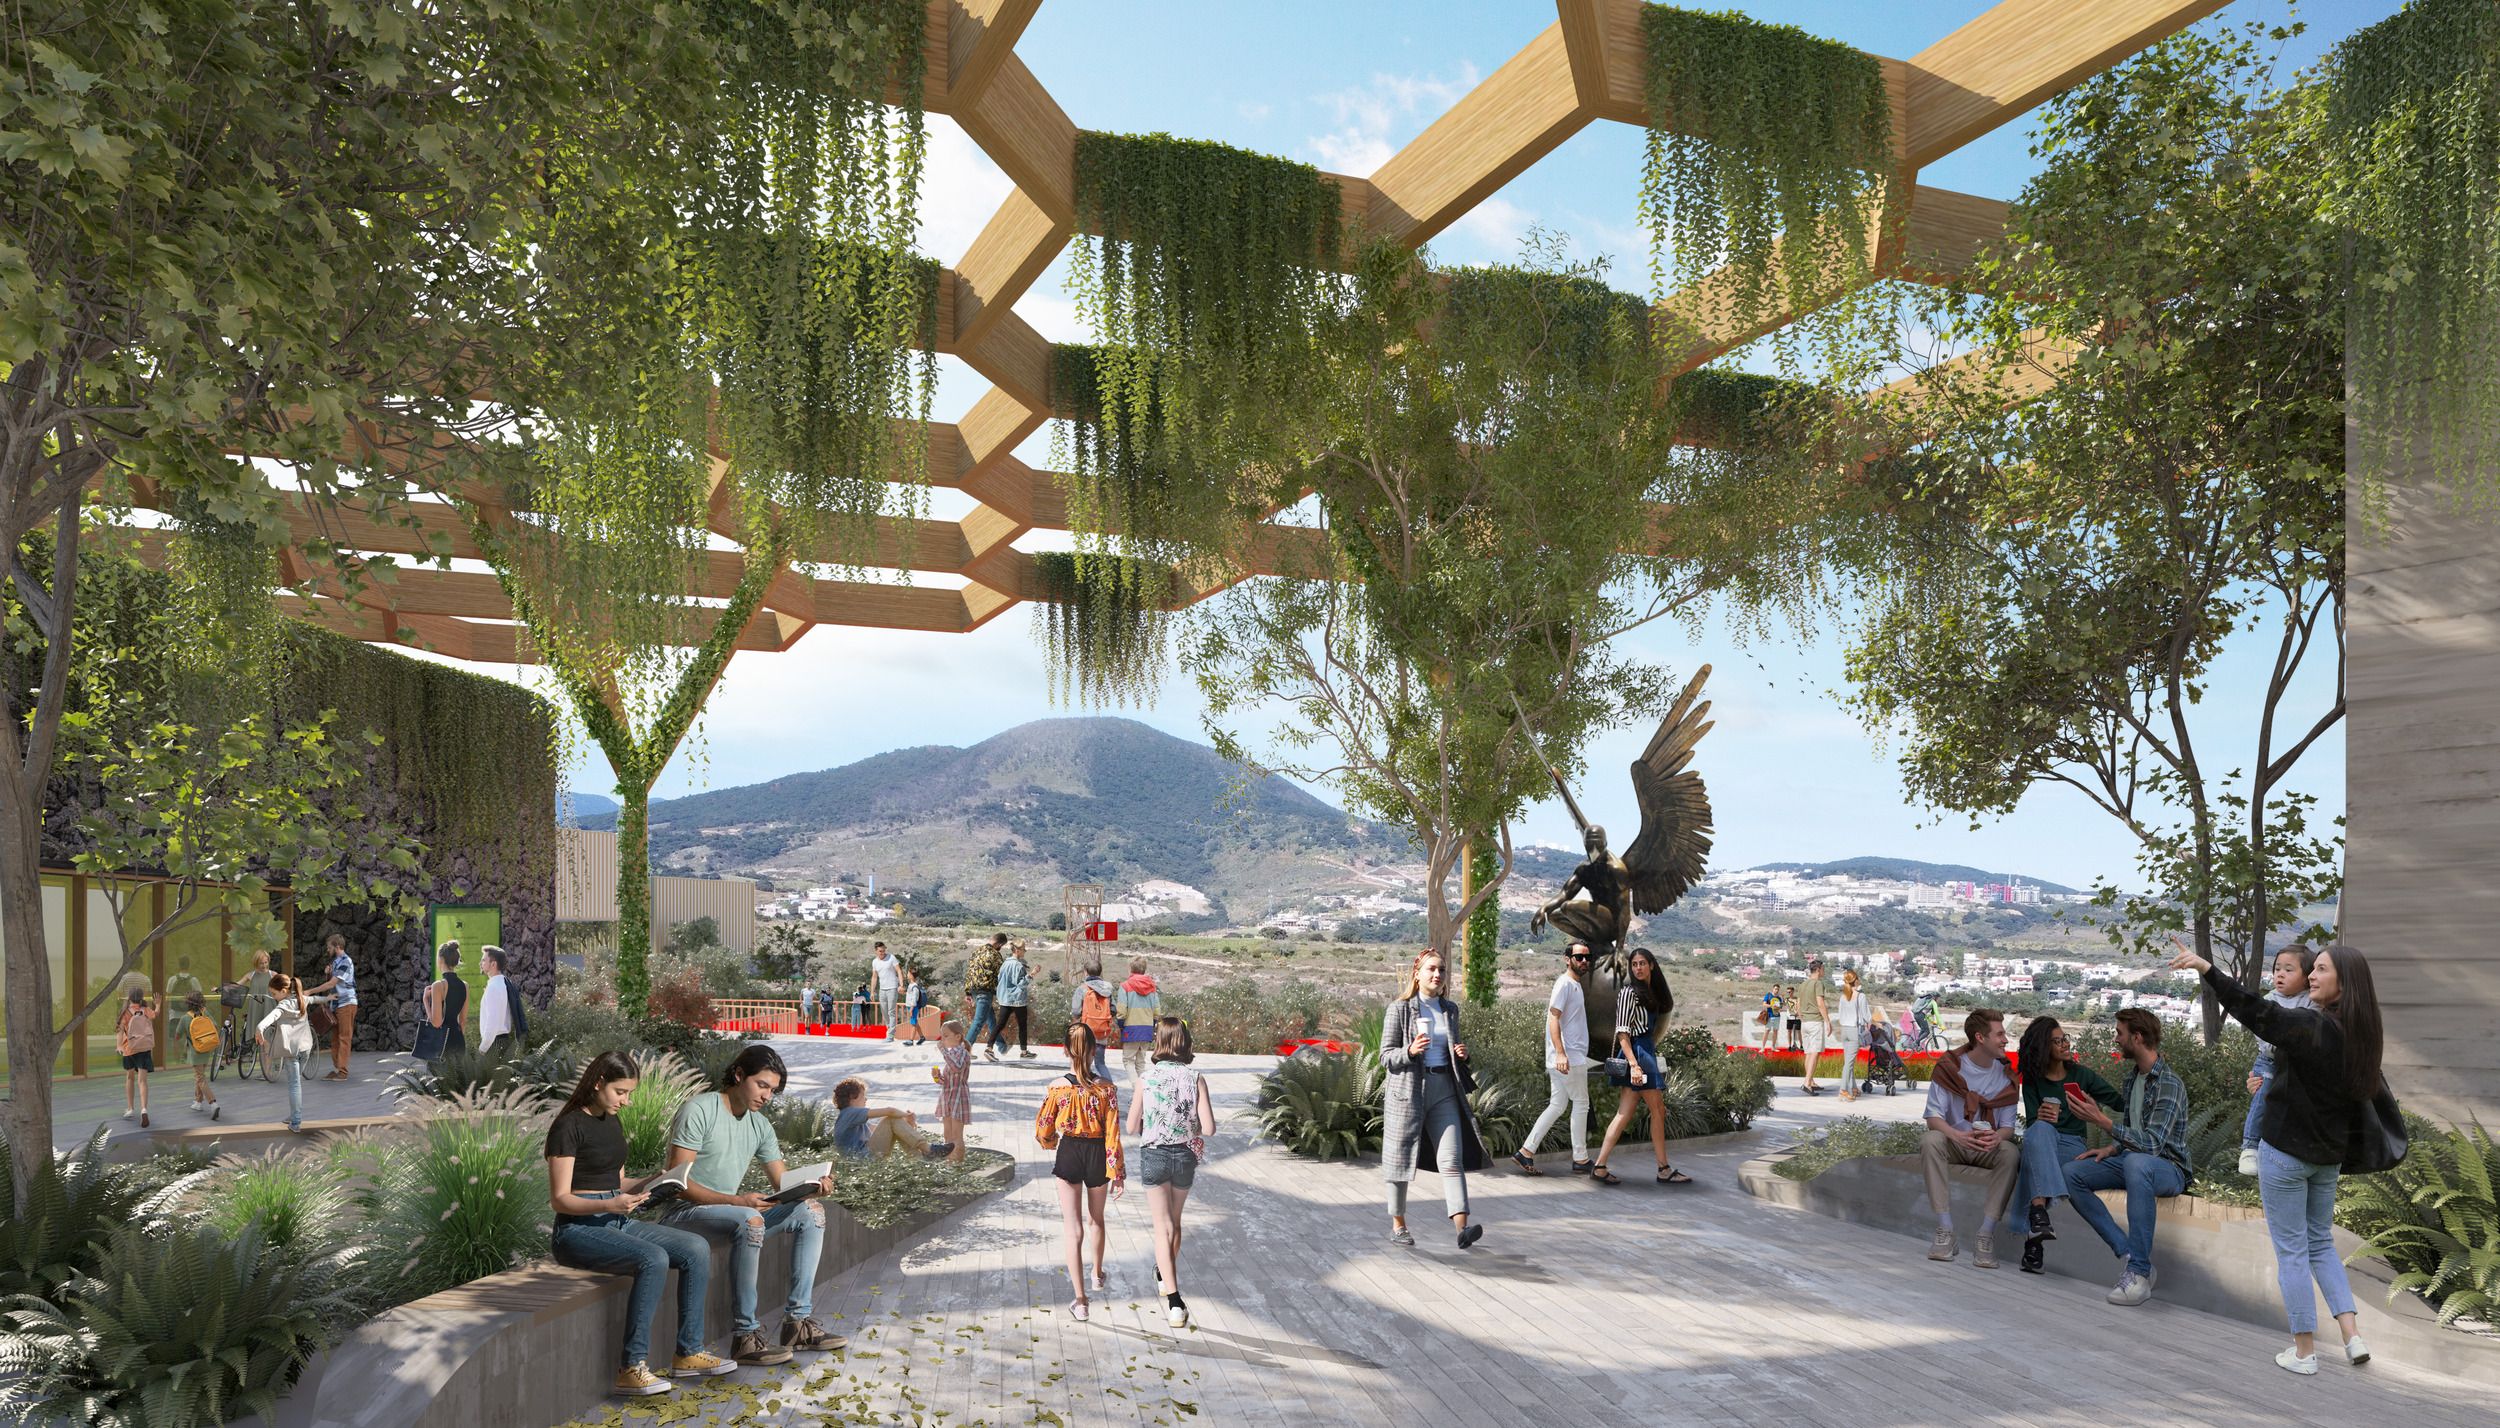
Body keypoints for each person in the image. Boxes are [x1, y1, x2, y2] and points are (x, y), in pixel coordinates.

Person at [2173, 938, 2379, 1375]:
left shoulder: (2311, 1024)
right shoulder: (2361, 1034)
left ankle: (2304, 1353)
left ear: (2344, 983)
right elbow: (2323, 1086)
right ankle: (2352, 1336)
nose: (2313, 976)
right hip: (2328, 1157)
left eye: (2321, 969)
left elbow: (2258, 1012)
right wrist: (2269, 1083)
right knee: (2320, 1243)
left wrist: (2208, 970)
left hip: (2286, 1153)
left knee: (2292, 1253)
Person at [545, 1051, 733, 1395]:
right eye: (620, 1092)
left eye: (629, 1093)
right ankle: (631, 1367)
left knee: (695, 1248)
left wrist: (653, 1181)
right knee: (653, 1258)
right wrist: (610, 1203)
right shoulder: (568, 1126)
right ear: (598, 1083)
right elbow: (559, 1199)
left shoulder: (611, 1122)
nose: (626, 1101)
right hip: (578, 1230)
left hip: (617, 1221)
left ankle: (688, 1353)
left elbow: (618, 1182)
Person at [660, 1045, 846, 1365]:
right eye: (762, 1085)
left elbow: (782, 1185)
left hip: (730, 1214)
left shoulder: (759, 1125)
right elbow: (676, 1185)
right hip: (684, 1215)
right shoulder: (700, 1110)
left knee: (811, 1213)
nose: (767, 1096)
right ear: (738, 1075)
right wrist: (737, 1201)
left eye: (773, 1090)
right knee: (750, 1219)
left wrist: (814, 1188)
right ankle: (745, 1337)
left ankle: (797, 1324)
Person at [2058, 1007, 2192, 1306]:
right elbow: (2136, 1131)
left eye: (2120, 1033)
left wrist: (2103, 1122)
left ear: (2138, 1037)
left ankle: (2139, 1275)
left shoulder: (2169, 1083)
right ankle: (2130, 1254)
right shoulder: (2133, 1079)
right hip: (2135, 1162)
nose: (2116, 1039)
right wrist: (2111, 1148)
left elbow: (2153, 1144)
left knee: (2137, 1161)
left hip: (2169, 1169)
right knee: (2072, 1173)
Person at [1381, 949, 1487, 1250]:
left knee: (1451, 1160)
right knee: (1399, 1159)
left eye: (1441, 969)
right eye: (1431, 969)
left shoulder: (1450, 1009)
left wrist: (1461, 1054)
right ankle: (1398, 1225)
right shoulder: (1400, 1009)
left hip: (1445, 1090)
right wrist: (1410, 1051)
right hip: (1408, 1091)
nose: (1437, 974)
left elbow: (1451, 1047)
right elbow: (1385, 1057)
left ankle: (1462, 1229)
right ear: (1417, 973)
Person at [2009, 1015, 2120, 1275]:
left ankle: (2036, 1227)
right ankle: (2038, 1219)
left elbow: (2120, 1102)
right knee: (2039, 1132)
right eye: (2057, 1041)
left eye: (2065, 1039)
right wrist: (2041, 1116)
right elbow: (2033, 1123)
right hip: (2044, 1139)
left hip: (2072, 1143)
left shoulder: (2081, 1075)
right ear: (2043, 1047)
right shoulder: (2033, 1079)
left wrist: (2097, 1113)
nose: (2065, 1044)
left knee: (2031, 1162)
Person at [1127, 1017, 1216, 1328]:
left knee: (1162, 1226)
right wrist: (1187, 1126)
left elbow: (1131, 1126)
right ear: (1185, 1041)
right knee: (1174, 1223)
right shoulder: (1196, 1078)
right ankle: (1164, 1275)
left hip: (1154, 1155)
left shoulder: (1146, 1079)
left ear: (1159, 1041)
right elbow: (1209, 1128)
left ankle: (1174, 1301)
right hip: (1185, 1156)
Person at [1034, 1024, 1124, 1322]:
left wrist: (1051, 1142)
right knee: (1096, 1219)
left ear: (1065, 1050)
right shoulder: (1107, 1089)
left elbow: (1044, 1128)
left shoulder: (1057, 1088)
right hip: (1098, 1153)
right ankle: (1097, 1273)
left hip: (1070, 1151)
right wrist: (1117, 1171)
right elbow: (1113, 1133)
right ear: (1093, 1051)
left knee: (1073, 1228)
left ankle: (1081, 1301)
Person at [1919, 1008, 2020, 1268]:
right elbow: (1933, 1118)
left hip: (1986, 1146)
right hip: (1955, 1142)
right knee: (1930, 1141)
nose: (2005, 1040)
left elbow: (2008, 1127)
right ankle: (1945, 1230)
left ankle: (1985, 1234)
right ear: (1980, 1038)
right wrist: (1957, 1136)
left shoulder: (2006, 1075)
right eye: (1999, 1034)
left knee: (2010, 1153)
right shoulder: (1950, 1067)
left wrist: (1996, 1138)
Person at [1590, 948, 1691, 1186]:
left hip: (1644, 1053)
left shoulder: (1650, 992)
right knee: (1658, 1110)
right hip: (1638, 1056)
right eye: (1634, 964)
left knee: (1625, 1114)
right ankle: (1663, 1169)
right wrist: (1635, 1066)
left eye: (1642, 963)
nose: (1638, 968)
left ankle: (1600, 1166)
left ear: (1652, 965)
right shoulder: (1629, 993)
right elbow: (1622, 1033)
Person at [1510, 943, 1593, 1177]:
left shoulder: (1574, 985)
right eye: (1579, 957)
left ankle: (1526, 1151)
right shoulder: (1564, 984)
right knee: (1581, 1103)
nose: (1584, 961)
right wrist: (1560, 1053)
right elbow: (1553, 1018)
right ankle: (1580, 1158)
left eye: (1587, 957)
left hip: (1566, 1057)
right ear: (1567, 959)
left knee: (1557, 1105)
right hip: (1568, 1057)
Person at [2241, 945, 2316, 1176]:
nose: (2280, 974)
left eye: (2289, 970)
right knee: (2263, 1094)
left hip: (2297, 1064)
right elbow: (2261, 1032)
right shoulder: (2268, 1000)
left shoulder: (2311, 1001)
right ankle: (2249, 1147)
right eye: (2277, 969)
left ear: (2306, 976)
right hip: (2268, 1060)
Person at [256, 972, 329, 1134]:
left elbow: (271, 1017)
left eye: (274, 994)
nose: (273, 997)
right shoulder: (302, 999)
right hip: (306, 1048)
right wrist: (329, 998)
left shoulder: (283, 1005)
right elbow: (315, 999)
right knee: (296, 1084)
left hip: (291, 1052)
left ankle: (296, 1122)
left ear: (284, 991)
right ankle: (293, 1115)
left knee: (294, 1085)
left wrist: (259, 1028)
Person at [830, 1077, 933, 1158]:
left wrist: (909, 1123)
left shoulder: (853, 1119)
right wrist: (906, 1115)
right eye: (863, 1095)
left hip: (866, 1158)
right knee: (891, 1119)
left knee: (893, 1121)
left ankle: (920, 1158)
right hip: (862, 1161)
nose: (866, 1099)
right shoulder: (848, 1113)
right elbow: (890, 1111)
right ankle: (929, 1150)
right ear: (852, 1096)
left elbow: (892, 1130)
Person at [302, 932, 359, 1080]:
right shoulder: (335, 962)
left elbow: (331, 984)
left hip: (347, 1004)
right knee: (335, 1039)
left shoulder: (346, 961)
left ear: (337, 946)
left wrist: (310, 991)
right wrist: (328, 973)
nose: (327, 950)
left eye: (329, 947)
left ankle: (343, 1072)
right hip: (336, 1004)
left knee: (344, 1038)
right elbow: (333, 983)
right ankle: (337, 1069)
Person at [929, 1015, 971, 1162]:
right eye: (942, 1036)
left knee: (956, 1135)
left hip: (958, 1096)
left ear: (958, 1036)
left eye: (946, 1036)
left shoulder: (962, 1052)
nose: (943, 1039)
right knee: (947, 1134)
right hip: (948, 1096)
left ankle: (957, 1164)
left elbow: (957, 1068)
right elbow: (947, 1081)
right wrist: (937, 1077)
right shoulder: (952, 1053)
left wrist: (943, 1051)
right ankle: (949, 1162)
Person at [1070, 954, 1118, 1081]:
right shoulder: (1107, 990)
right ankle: (1110, 1087)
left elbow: (1076, 1011)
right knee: (1100, 1064)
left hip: (1086, 1032)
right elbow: (1113, 1009)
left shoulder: (1082, 989)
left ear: (1085, 972)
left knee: (1083, 1063)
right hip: (1102, 1032)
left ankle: (1083, 1088)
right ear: (1100, 972)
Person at [115, 983, 156, 1128]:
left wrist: (119, 1046)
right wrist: (157, 1005)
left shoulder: (126, 1012)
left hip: (129, 1049)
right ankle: (144, 1109)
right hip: (144, 1048)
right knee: (142, 1081)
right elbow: (155, 1015)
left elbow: (120, 1031)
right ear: (141, 998)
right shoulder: (145, 1010)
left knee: (130, 1078)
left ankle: (131, 1108)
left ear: (130, 998)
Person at [1115, 958, 1161, 1086]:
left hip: (1131, 1027)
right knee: (1141, 1062)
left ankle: (1137, 1089)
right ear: (1144, 969)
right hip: (1147, 1027)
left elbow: (1121, 1010)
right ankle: (1144, 1090)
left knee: (1128, 1060)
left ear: (1130, 968)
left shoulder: (1125, 986)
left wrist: (1121, 1024)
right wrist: (1153, 1023)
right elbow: (1157, 1010)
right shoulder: (1152, 987)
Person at [477, 945, 528, 1056]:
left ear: (493, 964)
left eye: (484, 960)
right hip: (501, 1042)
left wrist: (482, 1049)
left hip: (493, 1044)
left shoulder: (493, 987)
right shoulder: (503, 983)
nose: (481, 963)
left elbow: (492, 1023)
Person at [182, 991, 223, 1121]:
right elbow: (215, 1026)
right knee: (200, 1076)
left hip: (196, 1052)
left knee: (200, 1078)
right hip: (207, 1049)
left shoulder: (185, 1018)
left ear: (188, 1003)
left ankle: (213, 1103)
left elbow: (178, 1033)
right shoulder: (206, 1013)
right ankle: (198, 1102)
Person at [1833, 967, 1872, 1101]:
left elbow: (1840, 1014)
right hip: (1854, 1030)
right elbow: (1867, 1016)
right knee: (1849, 1063)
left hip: (1844, 1030)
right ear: (1855, 980)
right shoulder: (1860, 996)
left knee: (1848, 1062)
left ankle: (1854, 1088)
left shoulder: (1843, 996)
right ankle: (1843, 1090)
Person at [966, 934, 1005, 1056]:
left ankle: (1002, 1046)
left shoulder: (976, 952)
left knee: (991, 1020)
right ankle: (964, 1050)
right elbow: (1002, 974)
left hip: (974, 989)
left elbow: (969, 972)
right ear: (999, 944)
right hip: (985, 991)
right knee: (979, 1021)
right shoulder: (995, 955)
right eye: (1002, 946)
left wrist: (967, 992)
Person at [994, 940, 1033, 1059]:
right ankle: (1024, 1051)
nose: (1025, 952)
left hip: (1004, 999)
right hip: (1017, 1000)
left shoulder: (1005, 963)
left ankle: (989, 1047)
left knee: (1000, 1025)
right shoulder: (1018, 965)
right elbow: (1021, 984)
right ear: (1017, 950)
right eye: (1023, 949)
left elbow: (999, 979)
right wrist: (1032, 974)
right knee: (1022, 1026)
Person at [1799, 959, 1830, 1095]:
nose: (1824, 971)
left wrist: (1802, 1018)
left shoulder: (1803, 984)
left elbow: (1798, 1004)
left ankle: (1810, 1081)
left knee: (1808, 1053)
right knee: (1814, 1052)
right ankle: (1807, 1083)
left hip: (1805, 1022)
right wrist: (1827, 1021)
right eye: (1823, 969)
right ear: (1818, 970)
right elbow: (1820, 1003)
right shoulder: (1818, 984)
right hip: (1815, 1022)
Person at [871, 942, 900, 1029]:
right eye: (880, 951)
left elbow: (899, 970)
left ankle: (891, 1032)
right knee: (883, 1010)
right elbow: (874, 977)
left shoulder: (891, 957)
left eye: (884, 950)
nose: (882, 953)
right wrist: (872, 992)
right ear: (876, 951)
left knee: (891, 1011)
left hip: (892, 987)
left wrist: (901, 984)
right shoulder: (874, 962)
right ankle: (889, 1027)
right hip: (882, 989)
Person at [898, 966, 927, 1047]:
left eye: (908, 973)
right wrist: (903, 992)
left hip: (913, 1007)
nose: (907, 975)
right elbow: (910, 995)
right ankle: (922, 1037)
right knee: (915, 1022)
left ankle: (911, 1040)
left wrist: (911, 1008)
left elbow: (914, 998)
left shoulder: (914, 986)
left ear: (911, 975)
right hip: (910, 1006)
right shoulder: (911, 985)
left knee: (913, 1023)